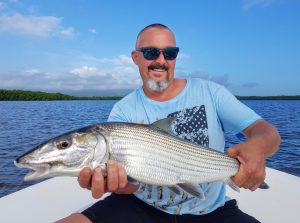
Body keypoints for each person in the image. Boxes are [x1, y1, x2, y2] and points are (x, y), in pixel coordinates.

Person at [56, 23, 280, 223]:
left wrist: (257, 147)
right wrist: (115, 183)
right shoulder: (123, 109)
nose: (161, 61)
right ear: (135, 57)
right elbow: (132, 184)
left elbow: (265, 131)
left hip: (211, 211)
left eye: (170, 53)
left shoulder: (210, 92)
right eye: (151, 52)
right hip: (142, 206)